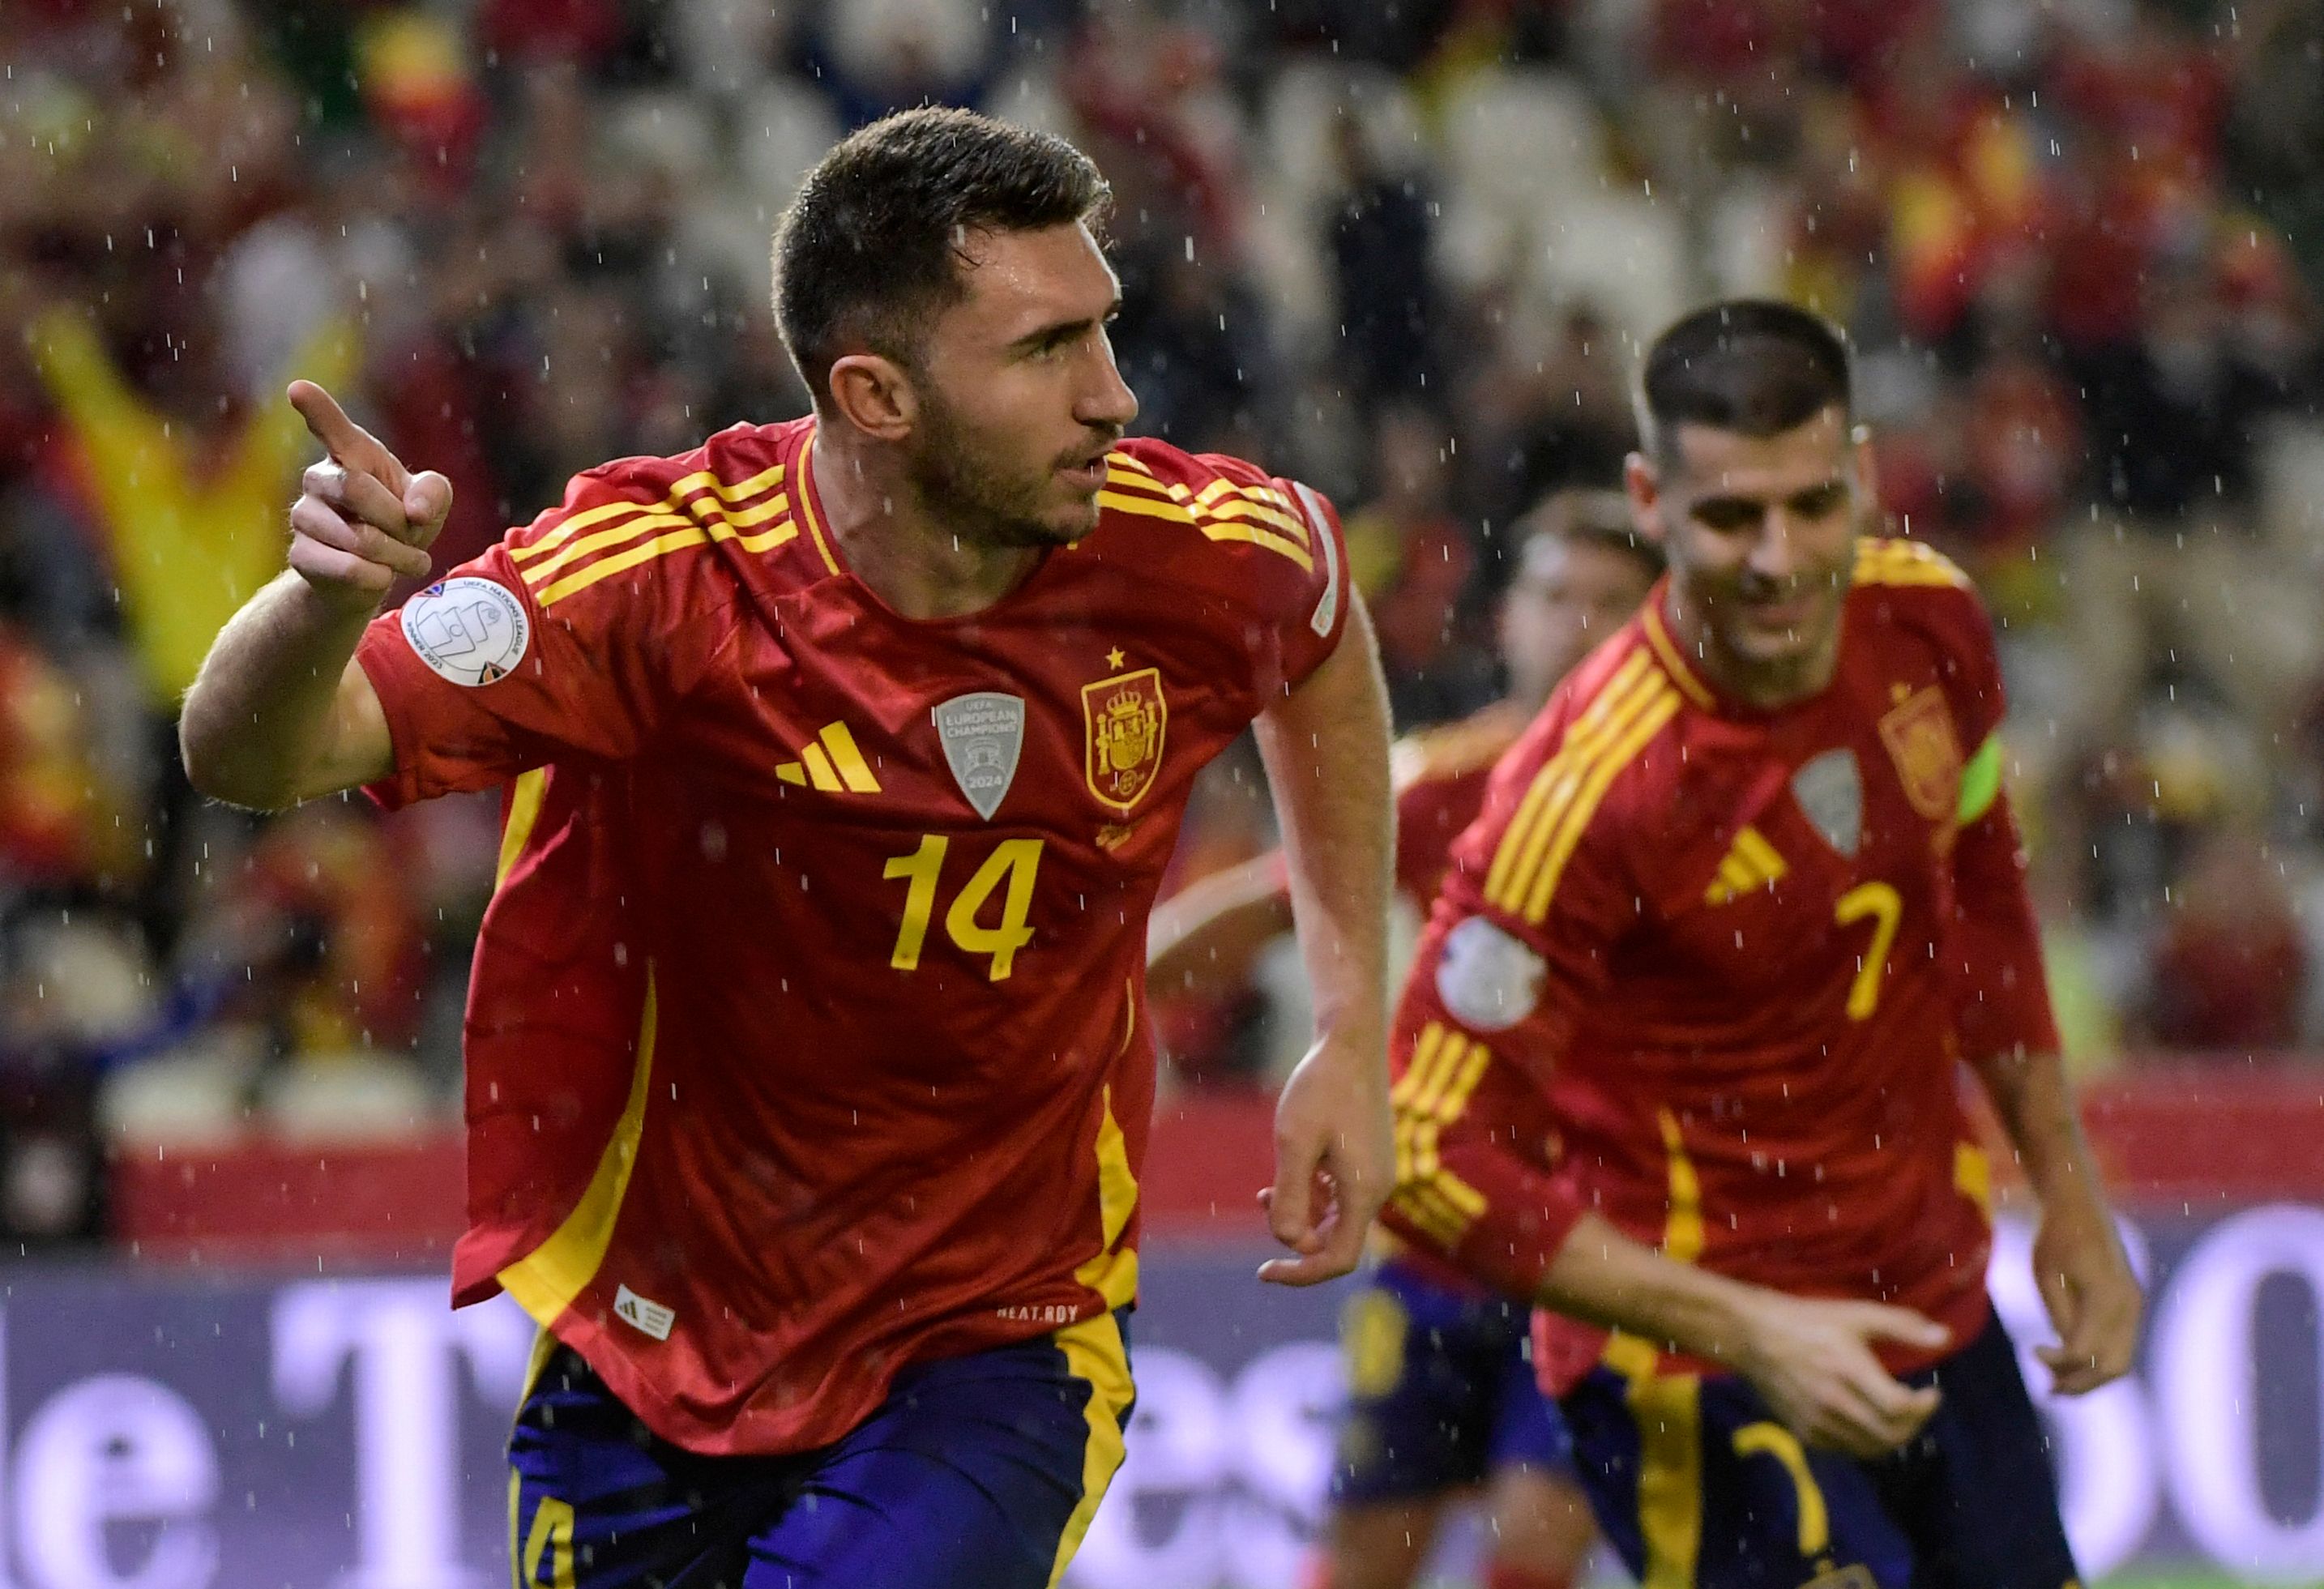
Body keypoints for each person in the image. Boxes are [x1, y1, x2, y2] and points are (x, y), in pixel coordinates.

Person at [177, 108, 1397, 1589]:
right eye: (1044, 352)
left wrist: (1348, 1023)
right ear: (875, 394)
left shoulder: (1193, 549)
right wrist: (319, 603)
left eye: (1103, 330)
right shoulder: (661, 580)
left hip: (996, 1331)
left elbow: (1325, 632)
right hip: (648, 1338)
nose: (1114, 395)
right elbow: (252, 755)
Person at [1377, 299, 2143, 1587]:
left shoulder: (1930, 627)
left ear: (1859, 476)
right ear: (1651, 498)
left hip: (1934, 1313)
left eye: (1812, 504)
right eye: (1732, 516)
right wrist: (1753, 1327)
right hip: (1696, 1373)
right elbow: (1419, 1147)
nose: (1781, 558)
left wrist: (2068, 1191)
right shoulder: (1584, 791)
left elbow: (1985, 901)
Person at [1152, 488, 1660, 1589]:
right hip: (1436, 1234)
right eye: (1555, 596)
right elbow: (1266, 906)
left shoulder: (1691, 798)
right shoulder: (1445, 783)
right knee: (1367, 1555)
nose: (1580, 622)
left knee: (1537, 1536)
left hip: (1595, 1243)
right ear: (1507, 621)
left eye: (1611, 600)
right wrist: (1090, 981)